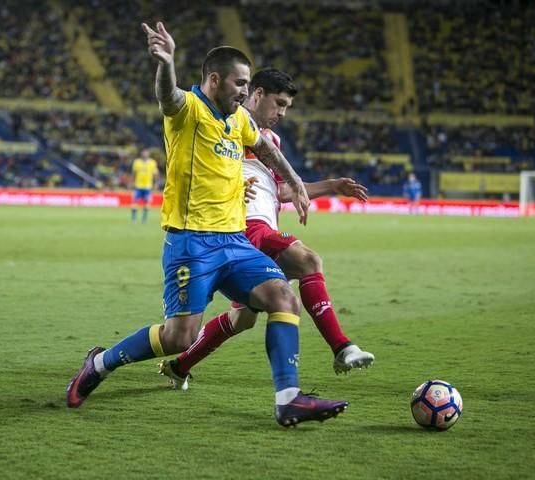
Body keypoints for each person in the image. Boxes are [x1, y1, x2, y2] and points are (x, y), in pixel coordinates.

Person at [66, 22, 348, 427]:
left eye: (248, 84)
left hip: (234, 241)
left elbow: (266, 148)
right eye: (240, 83)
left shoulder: (240, 122)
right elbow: (167, 94)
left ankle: (289, 399)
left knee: (284, 299)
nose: (245, 91)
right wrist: (166, 63)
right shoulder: (187, 110)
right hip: (191, 244)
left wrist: (297, 182)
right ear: (215, 79)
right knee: (178, 337)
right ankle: (100, 363)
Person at [158, 68, 375, 391]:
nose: (282, 113)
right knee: (308, 261)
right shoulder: (232, 122)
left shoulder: (269, 139)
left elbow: (280, 190)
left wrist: (331, 186)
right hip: (243, 226)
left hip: (254, 228)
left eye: (287, 107)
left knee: (243, 317)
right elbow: (211, 161)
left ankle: (179, 366)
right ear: (256, 94)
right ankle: (341, 347)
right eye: (279, 103)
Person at [130, 148, 159, 223]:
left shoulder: (152, 162)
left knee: (147, 203)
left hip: (148, 186)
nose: (145, 154)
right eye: (143, 152)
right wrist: (132, 182)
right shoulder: (137, 162)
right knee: (135, 202)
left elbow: (155, 174)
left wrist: (155, 183)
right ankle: (134, 219)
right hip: (138, 186)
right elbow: (134, 173)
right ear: (141, 153)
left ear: (148, 153)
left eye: (146, 152)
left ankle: (144, 220)